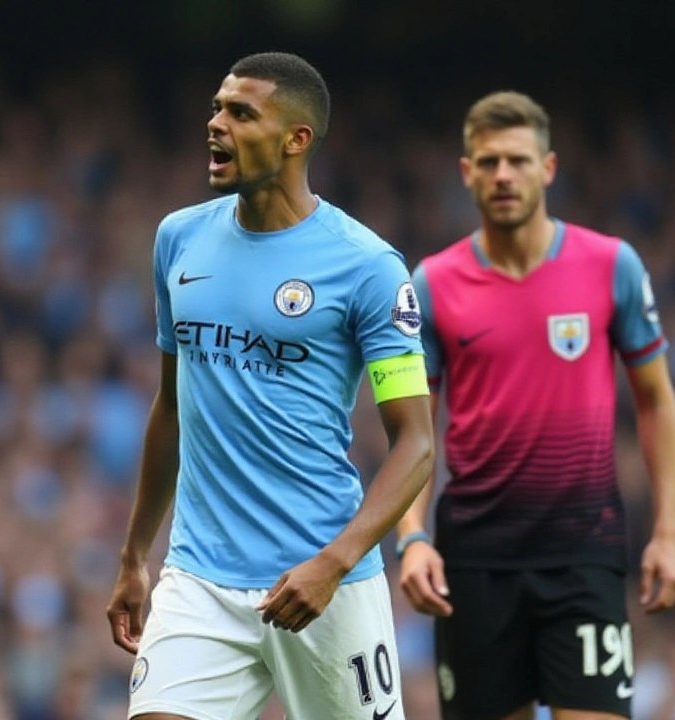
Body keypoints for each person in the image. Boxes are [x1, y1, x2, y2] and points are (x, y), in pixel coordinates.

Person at [106, 52, 435, 720]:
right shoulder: (179, 240)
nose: (216, 124)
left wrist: (334, 563)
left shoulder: (369, 267)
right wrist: (135, 554)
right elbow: (172, 406)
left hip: (323, 581)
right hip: (198, 577)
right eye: (216, 107)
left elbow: (418, 445)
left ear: (296, 139)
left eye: (240, 112)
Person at [395, 90, 675, 720]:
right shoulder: (432, 284)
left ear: (547, 168)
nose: (505, 175)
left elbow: (657, 400)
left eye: (519, 161)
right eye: (490, 161)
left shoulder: (613, 267)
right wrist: (412, 535)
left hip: (584, 555)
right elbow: (414, 430)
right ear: (467, 172)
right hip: (473, 564)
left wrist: (667, 531)